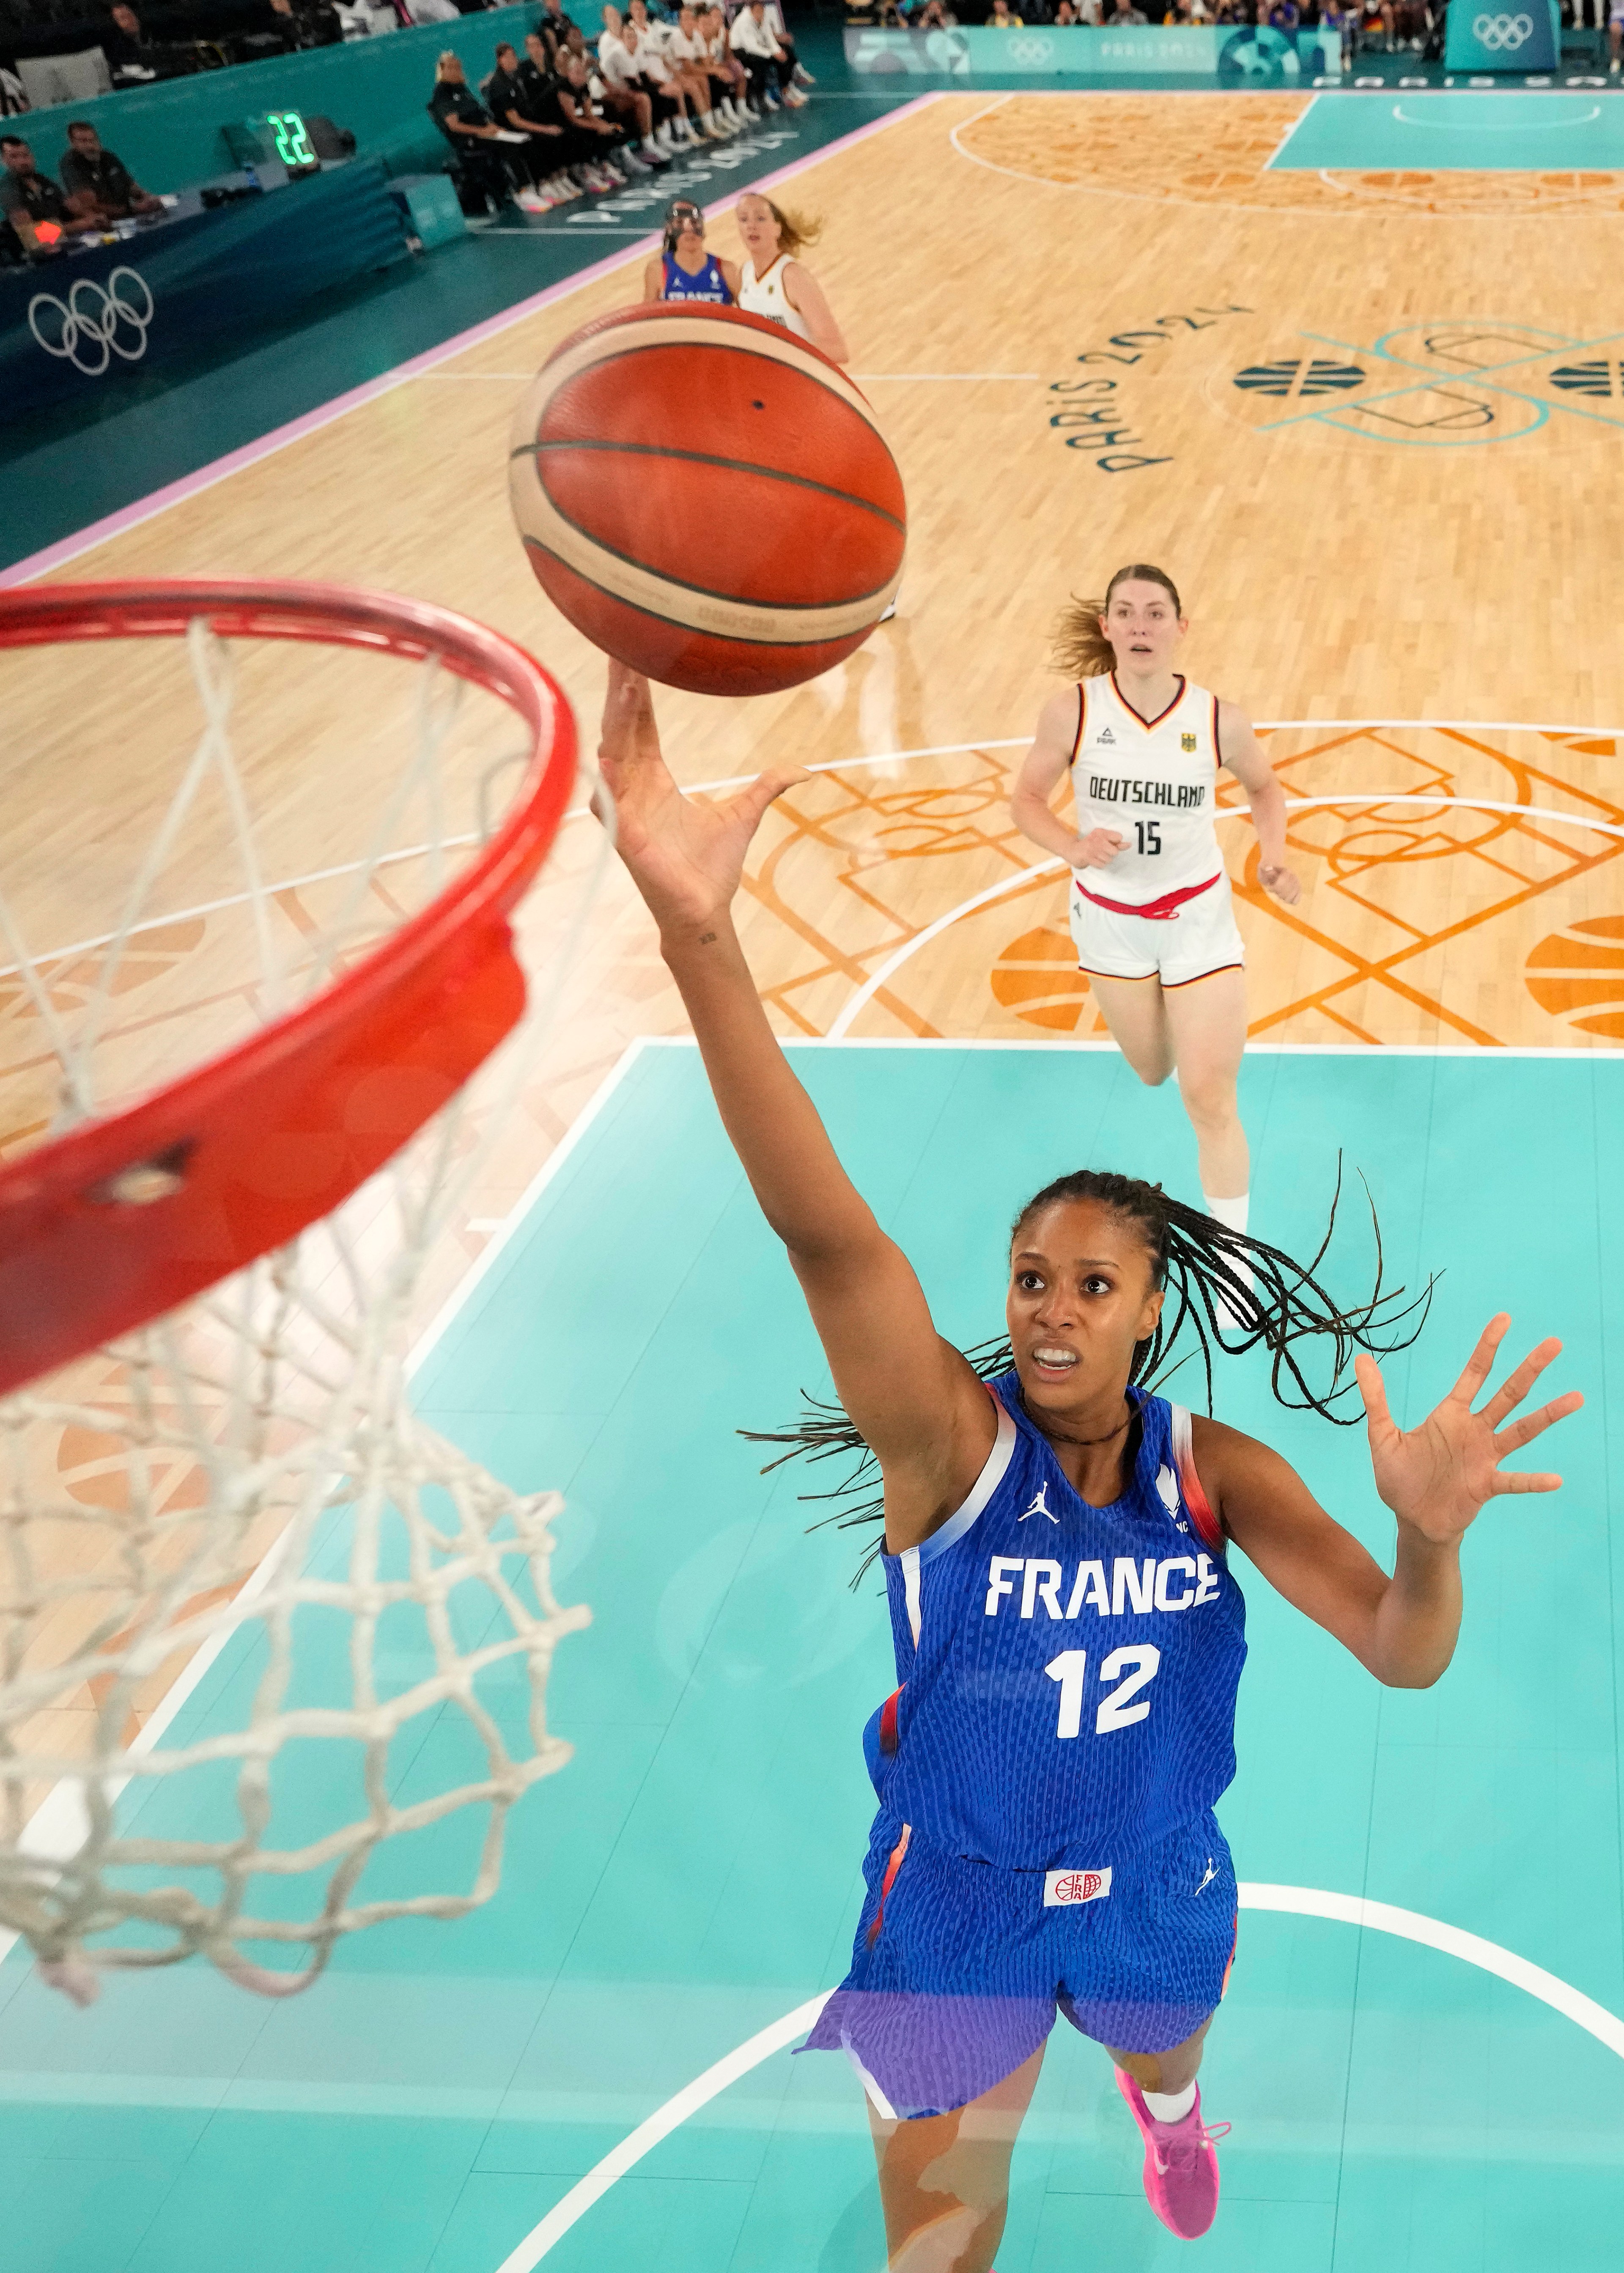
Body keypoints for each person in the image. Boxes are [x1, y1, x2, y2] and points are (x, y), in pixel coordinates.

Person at [595, 657, 1580, 2261]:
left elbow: (1404, 1658)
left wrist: (1432, 1542)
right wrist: (697, 934)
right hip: (955, 1899)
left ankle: (1171, 2114)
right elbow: (827, 1235)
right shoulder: (949, 1446)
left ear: (1147, 1313)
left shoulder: (1221, 1471)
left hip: (1151, 1876)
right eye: (1029, 1279)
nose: (1050, 1313)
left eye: (1091, 1285)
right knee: (936, 2246)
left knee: (1162, 2056)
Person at [1009, 567, 1298, 1255]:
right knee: (1150, 1069)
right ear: (1107, 627)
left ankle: (1238, 1262)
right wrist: (1073, 846)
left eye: (1156, 613)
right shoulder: (1072, 712)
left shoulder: (1216, 719)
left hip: (1198, 921)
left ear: (1180, 627)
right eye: (1127, 613)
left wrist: (1273, 853)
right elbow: (1025, 802)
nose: (1141, 625)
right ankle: (1179, 1018)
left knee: (1207, 1095)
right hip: (1110, 923)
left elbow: (1265, 789)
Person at [735, 192, 848, 363]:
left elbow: (837, 350)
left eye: (760, 218)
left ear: (777, 229)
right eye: (744, 219)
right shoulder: (744, 275)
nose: (751, 226)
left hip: (800, 384)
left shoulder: (793, 276)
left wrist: (780, 351)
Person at [488, 40, 598, 203]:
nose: (514, 60)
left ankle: (562, 177)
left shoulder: (516, 77)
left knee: (563, 130)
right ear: (500, 60)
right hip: (513, 131)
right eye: (509, 57)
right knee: (544, 138)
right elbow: (516, 121)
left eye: (514, 56)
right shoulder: (499, 85)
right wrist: (545, 129)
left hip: (529, 120)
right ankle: (546, 184)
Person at [427, 52, 531, 214]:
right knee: (508, 148)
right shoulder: (442, 93)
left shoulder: (462, 88)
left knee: (521, 141)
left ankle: (524, 188)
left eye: (458, 67)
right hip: (470, 143)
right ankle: (518, 192)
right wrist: (482, 131)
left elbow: (480, 114)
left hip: (486, 134)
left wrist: (494, 127)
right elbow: (454, 126)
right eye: (452, 67)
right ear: (442, 70)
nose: (457, 70)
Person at [1, 134, 101, 251]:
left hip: (68, 240)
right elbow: (30, 235)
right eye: (14, 157)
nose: (23, 161)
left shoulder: (43, 181)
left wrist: (95, 219)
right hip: (41, 252)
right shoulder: (8, 190)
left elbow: (74, 207)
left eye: (25, 155)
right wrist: (78, 226)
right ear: (4, 161)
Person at [556, 49, 645, 174]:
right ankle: (587, 169)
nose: (581, 76)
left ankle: (616, 159)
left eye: (582, 72)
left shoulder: (583, 86)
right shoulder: (564, 88)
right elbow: (572, 119)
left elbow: (589, 114)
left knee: (610, 127)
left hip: (574, 118)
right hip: (558, 122)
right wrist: (597, 127)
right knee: (587, 132)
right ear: (569, 73)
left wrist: (604, 125)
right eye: (576, 72)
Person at [642, 194, 739, 302]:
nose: (688, 228)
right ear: (669, 229)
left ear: (702, 228)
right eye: (680, 222)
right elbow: (648, 316)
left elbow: (748, 312)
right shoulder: (657, 270)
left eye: (694, 222)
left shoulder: (726, 270)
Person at [58, 121, 162, 220]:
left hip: (128, 215)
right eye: (84, 141)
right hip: (101, 223)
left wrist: (148, 198)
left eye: (93, 140)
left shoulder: (108, 157)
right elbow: (91, 206)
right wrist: (133, 210)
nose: (90, 146)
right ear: (73, 143)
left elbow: (132, 187)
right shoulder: (71, 165)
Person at [730, 0, 804, 107]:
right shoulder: (743, 21)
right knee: (760, 62)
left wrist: (777, 51)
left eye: (762, 10)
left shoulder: (763, 16)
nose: (761, 14)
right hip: (741, 51)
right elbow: (751, 48)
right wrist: (772, 54)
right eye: (758, 11)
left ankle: (786, 89)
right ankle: (762, 97)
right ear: (751, 10)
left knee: (785, 52)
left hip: (759, 47)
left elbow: (769, 37)